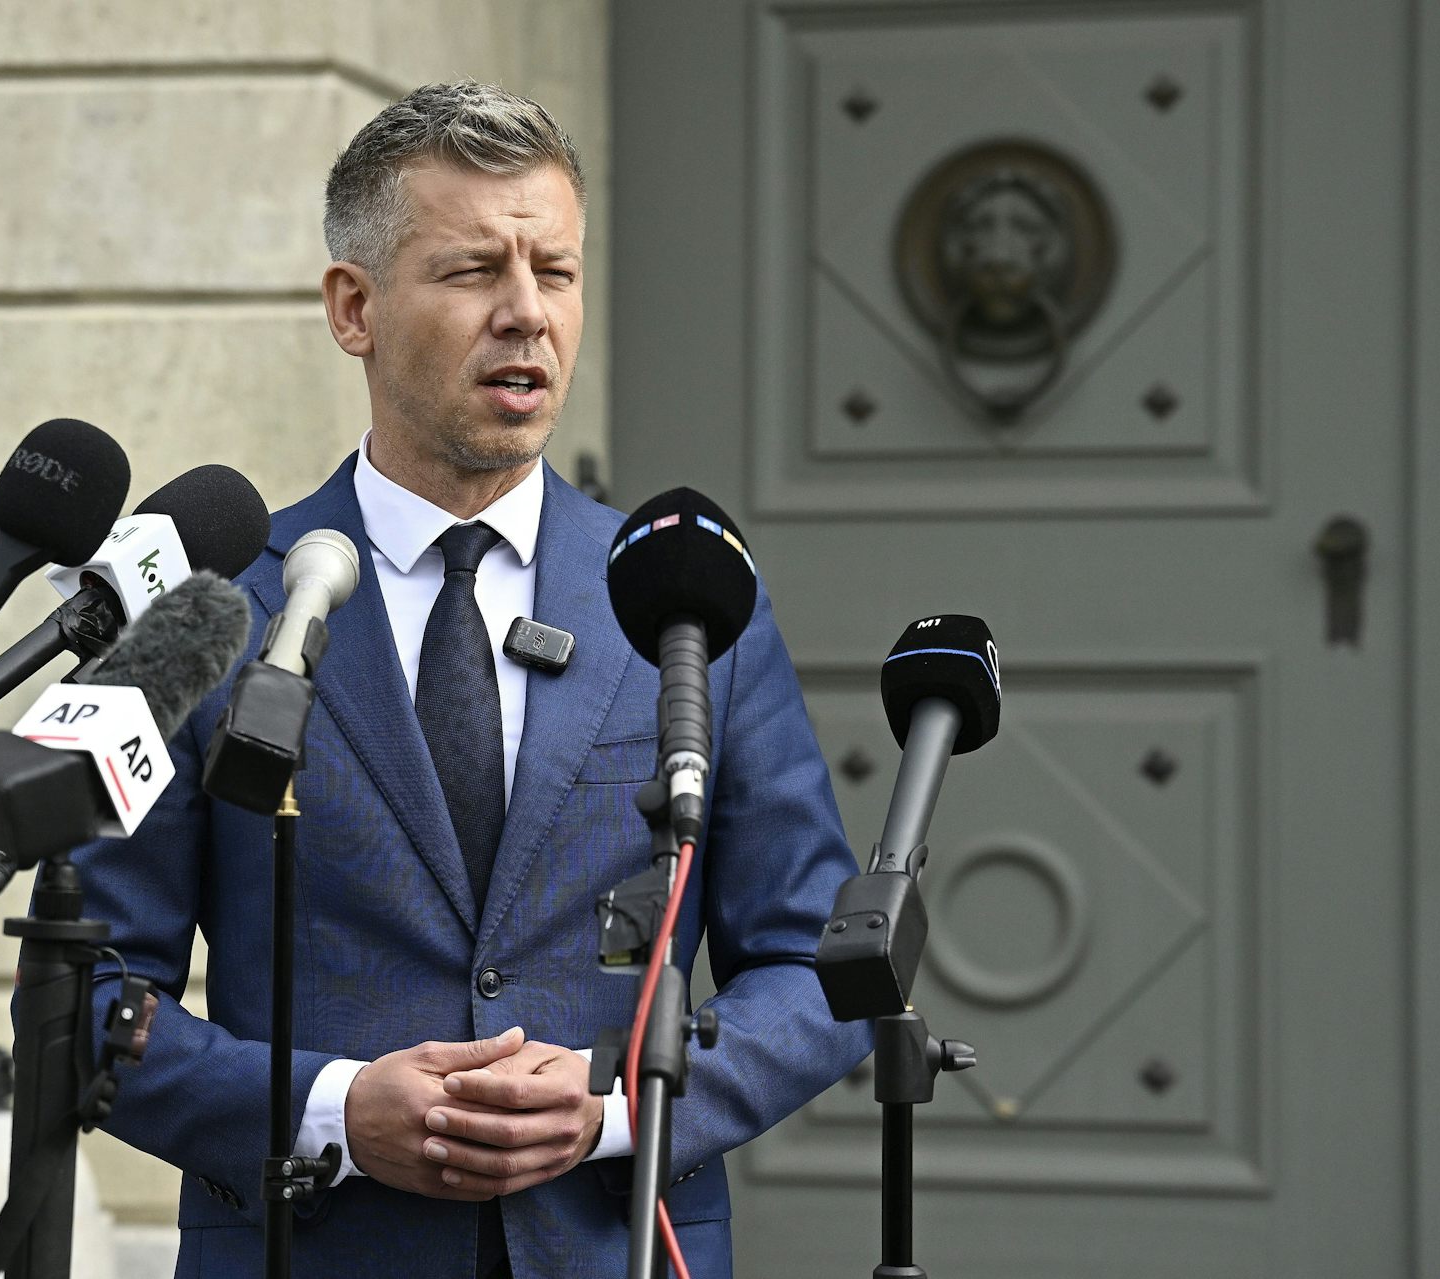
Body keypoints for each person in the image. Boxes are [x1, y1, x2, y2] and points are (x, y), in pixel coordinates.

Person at [72, 80, 871, 1278]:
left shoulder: (688, 599)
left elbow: (820, 965)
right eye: (470, 273)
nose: (526, 316)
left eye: (554, 272)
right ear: (355, 307)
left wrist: (618, 1109)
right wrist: (333, 1110)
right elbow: (81, 994)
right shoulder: (216, 606)